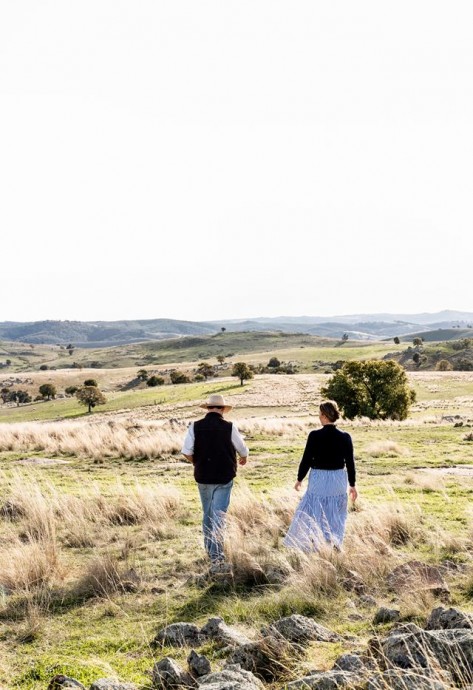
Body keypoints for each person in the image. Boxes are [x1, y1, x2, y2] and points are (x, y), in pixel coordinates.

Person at [181, 393, 249, 572]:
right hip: (224, 477)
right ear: (222, 410)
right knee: (218, 516)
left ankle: (210, 551)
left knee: (207, 514)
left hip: (203, 476)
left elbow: (186, 451)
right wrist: (243, 457)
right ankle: (217, 557)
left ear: (208, 408)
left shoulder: (195, 426)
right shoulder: (229, 427)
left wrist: (197, 462)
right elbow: (241, 447)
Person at [284, 400, 357, 552]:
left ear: (324, 416)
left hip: (319, 478)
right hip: (338, 479)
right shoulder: (345, 437)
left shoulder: (314, 435)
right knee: (335, 514)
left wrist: (299, 479)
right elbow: (350, 462)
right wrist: (353, 485)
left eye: (319, 414)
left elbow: (306, 459)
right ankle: (334, 544)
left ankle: (314, 545)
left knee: (315, 511)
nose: (319, 416)